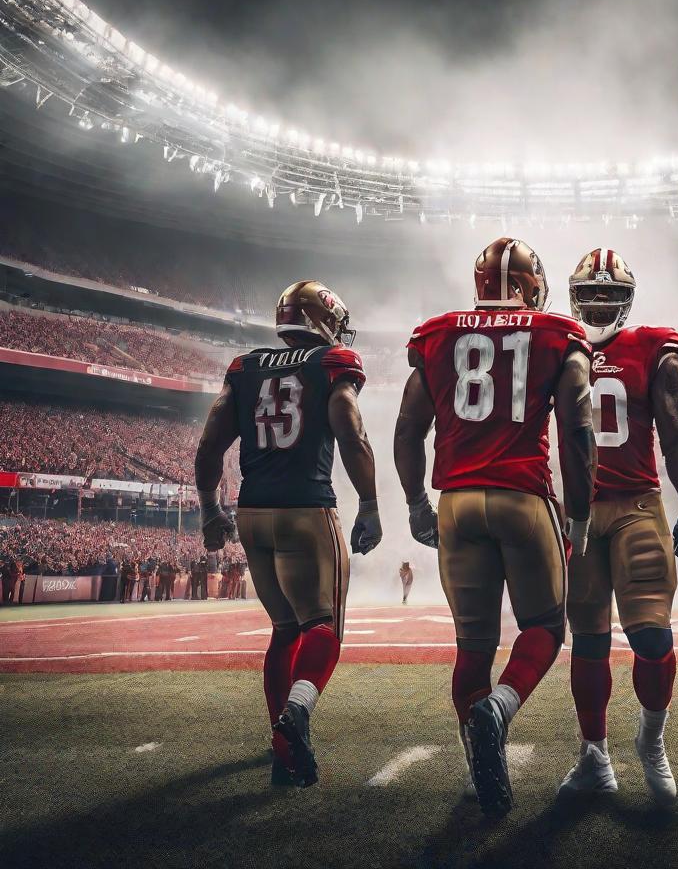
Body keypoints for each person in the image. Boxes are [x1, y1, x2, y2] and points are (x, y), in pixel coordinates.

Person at [394, 237, 595, 817]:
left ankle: (484, 777)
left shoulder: (437, 333)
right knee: (543, 627)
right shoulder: (557, 333)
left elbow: (408, 431)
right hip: (521, 496)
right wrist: (578, 514)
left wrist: (414, 504)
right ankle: (500, 709)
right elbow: (577, 427)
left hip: (456, 501)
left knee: (472, 646)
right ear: (531, 286)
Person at [195, 279, 383, 789]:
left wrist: (211, 508)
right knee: (323, 627)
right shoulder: (331, 363)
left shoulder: (245, 367)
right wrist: (368, 502)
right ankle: (297, 712)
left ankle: (282, 751)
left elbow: (212, 440)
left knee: (283, 629)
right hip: (307, 508)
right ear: (322, 321)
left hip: (253, 512)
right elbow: (349, 426)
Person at [557, 248, 678, 807]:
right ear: (574, 298)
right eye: (590, 295)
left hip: (639, 505)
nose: (598, 305)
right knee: (589, 641)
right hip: (578, 511)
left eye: (609, 296)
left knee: (650, 635)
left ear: (627, 301)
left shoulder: (651, 348)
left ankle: (651, 740)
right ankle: (594, 756)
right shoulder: (556, 346)